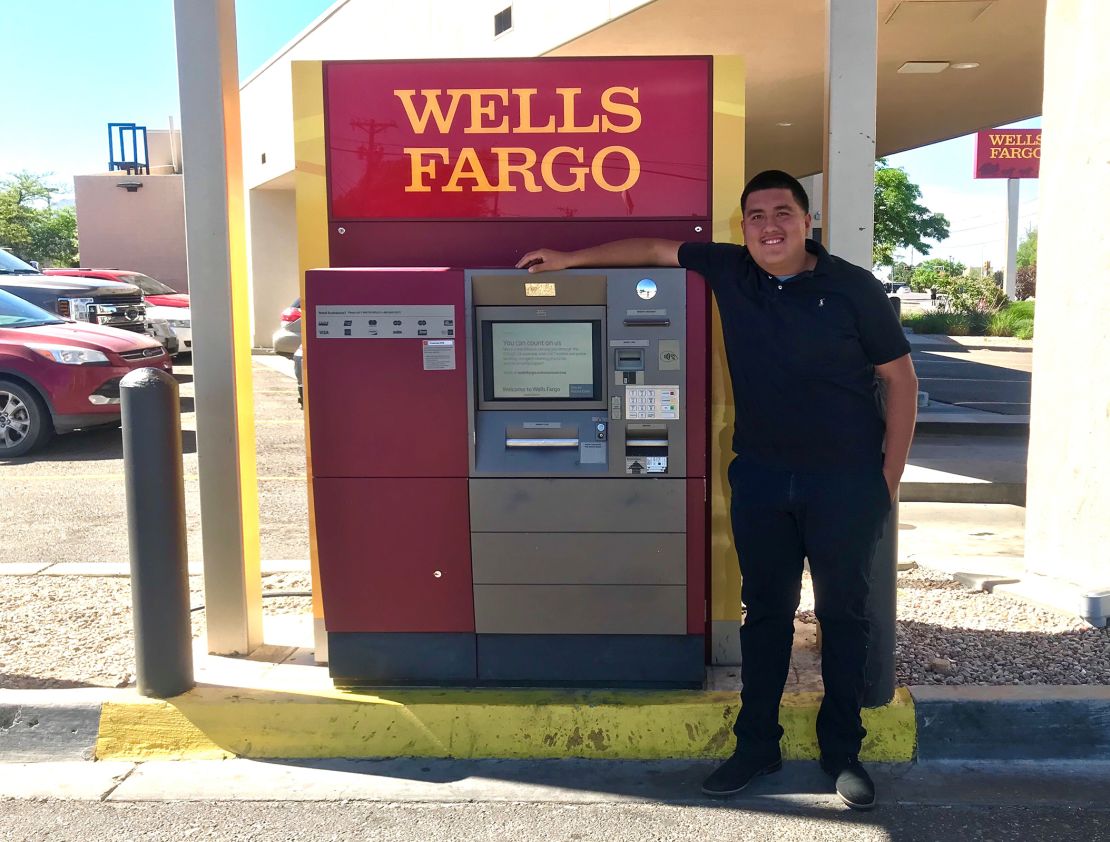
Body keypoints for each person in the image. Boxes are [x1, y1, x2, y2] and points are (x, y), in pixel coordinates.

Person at [517, 170, 918, 811]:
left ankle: (842, 750)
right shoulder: (731, 271)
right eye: (756, 215)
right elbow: (652, 250)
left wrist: (887, 479)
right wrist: (570, 259)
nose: (769, 226)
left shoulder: (852, 288)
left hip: (845, 482)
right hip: (760, 476)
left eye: (782, 213)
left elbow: (900, 380)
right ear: (743, 227)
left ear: (807, 221)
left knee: (844, 616)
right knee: (765, 616)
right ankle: (756, 744)